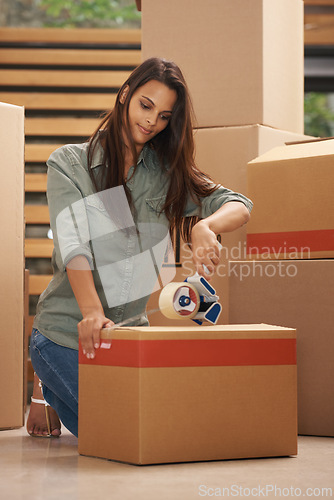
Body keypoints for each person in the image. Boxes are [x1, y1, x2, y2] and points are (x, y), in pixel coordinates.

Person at [27, 57, 253, 438]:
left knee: (161, 426)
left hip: (131, 336)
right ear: (125, 95)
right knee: (127, 434)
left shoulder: (167, 174)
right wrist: (93, 314)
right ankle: (46, 375)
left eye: (164, 116)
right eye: (146, 106)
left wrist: (206, 228)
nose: (151, 122)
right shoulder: (70, 163)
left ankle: (51, 390)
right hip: (68, 332)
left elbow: (239, 204)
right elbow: (74, 245)